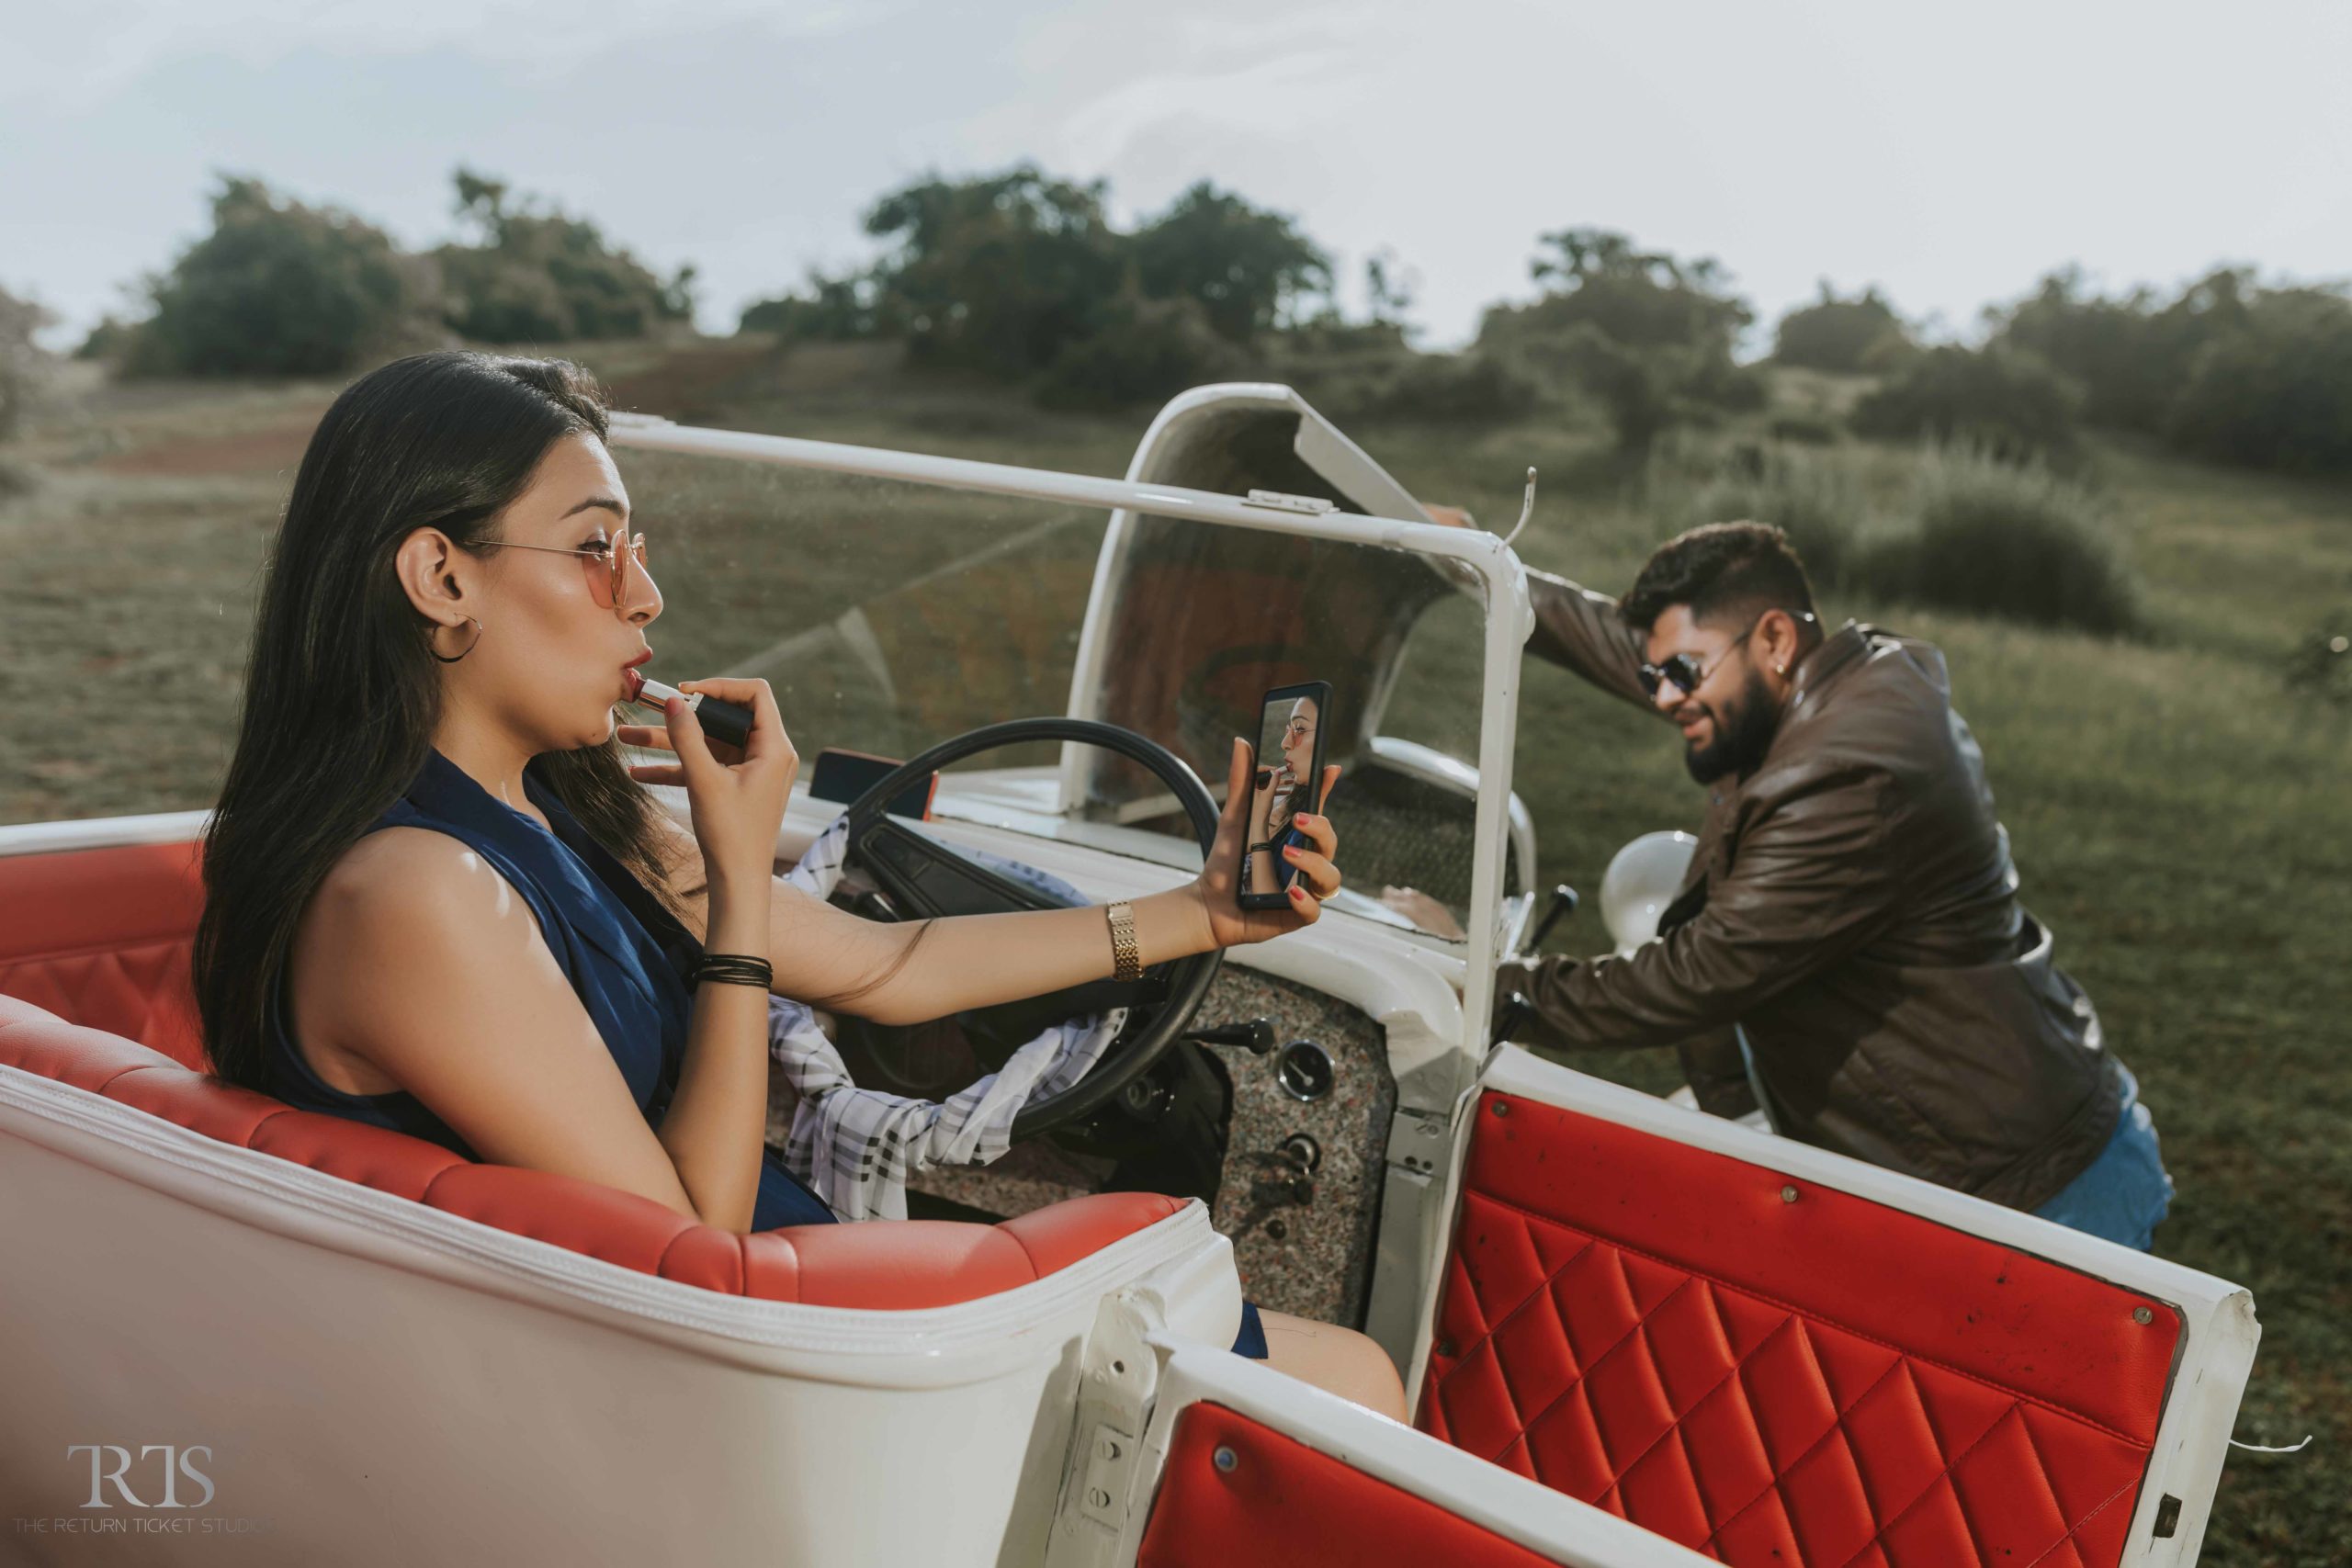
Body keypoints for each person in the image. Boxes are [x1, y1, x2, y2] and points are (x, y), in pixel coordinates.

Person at [190, 350, 1406, 1417]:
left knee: (1335, 1369)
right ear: (441, 577)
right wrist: (732, 878)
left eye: (639, 550)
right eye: (596, 548)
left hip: (796, 1293)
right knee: (1351, 1381)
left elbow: (889, 965)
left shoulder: (570, 807)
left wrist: (1202, 913)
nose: (647, 597)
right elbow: (690, 1243)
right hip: (736, 1372)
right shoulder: (413, 892)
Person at [1490, 519, 2173, 1250]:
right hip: (1981, 1164)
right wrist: (1488, 567)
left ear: (1776, 640)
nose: (1663, 697)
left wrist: (1484, 989)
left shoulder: (1849, 776)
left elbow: (1699, 975)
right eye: (1662, 674)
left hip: (2028, 1194)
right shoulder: (1809, 693)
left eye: (1682, 673)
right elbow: (1637, 651)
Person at [1243, 694, 1320, 898]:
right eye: (1290, 730)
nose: (1285, 743)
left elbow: (1268, 903)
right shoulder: (1287, 809)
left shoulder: (1310, 830)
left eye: (1300, 729)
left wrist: (1259, 826)